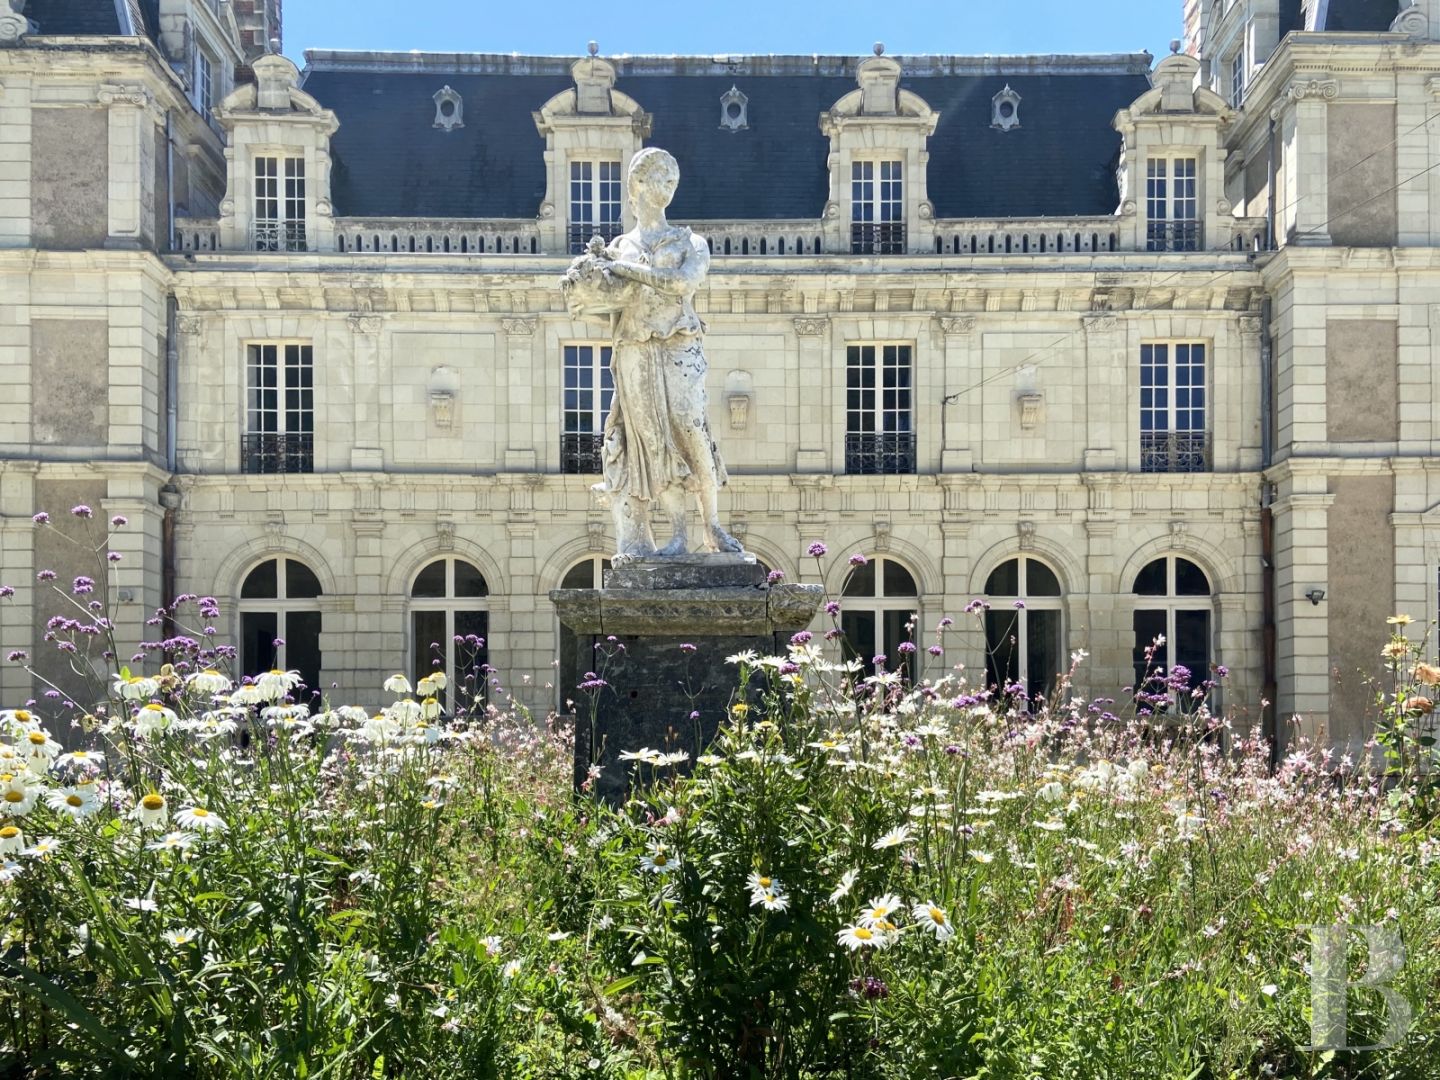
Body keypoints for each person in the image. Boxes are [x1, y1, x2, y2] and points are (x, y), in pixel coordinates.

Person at [561, 147, 744, 563]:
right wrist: (580, 290)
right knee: (653, 439)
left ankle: (712, 523)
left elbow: (682, 283)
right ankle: (679, 532)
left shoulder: (687, 241)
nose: (667, 187)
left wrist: (623, 269)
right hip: (634, 351)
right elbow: (602, 309)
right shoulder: (618, 248)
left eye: (672, 180)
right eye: (659, 177)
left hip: (679, 343)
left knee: (690, 426)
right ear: (636, 183)